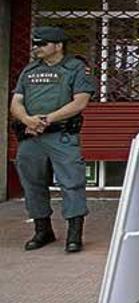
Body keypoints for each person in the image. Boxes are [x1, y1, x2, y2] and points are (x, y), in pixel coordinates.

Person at [10, 26, 94, 253]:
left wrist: (47, 119)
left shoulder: (75, 68)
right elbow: (16, 102)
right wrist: (27, 119)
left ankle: (74, 235)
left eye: (42, 44)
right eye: (35, 44)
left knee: (72, 183)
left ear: (58, 46)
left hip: (61, 136)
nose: (37, 48)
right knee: (32, 184)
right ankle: (42, 230)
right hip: (31, 137)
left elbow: (80, 102)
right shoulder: (29, 70)